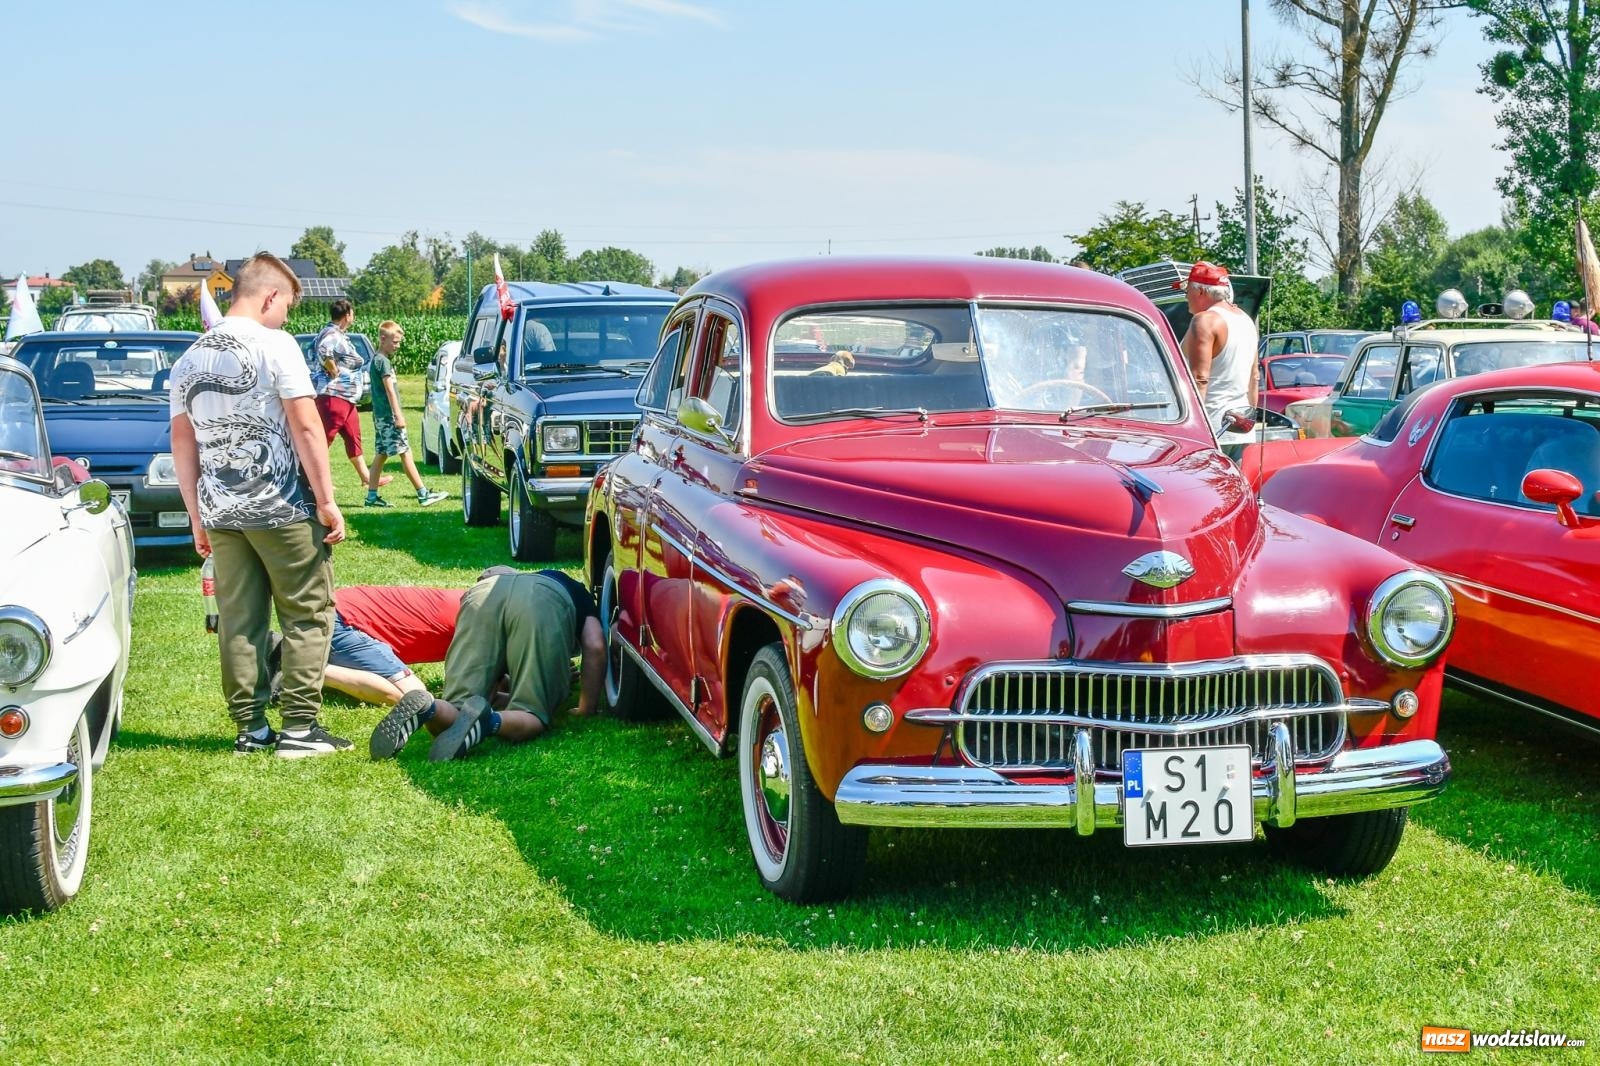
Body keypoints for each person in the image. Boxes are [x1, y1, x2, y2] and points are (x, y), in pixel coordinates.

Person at [168, 252, 351, 757]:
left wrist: (195, 514)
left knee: (239, 620)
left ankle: (250, 727)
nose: (287, 315)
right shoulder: (276, 345)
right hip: (283, 507)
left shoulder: (189, 358)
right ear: (269, 296)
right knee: (307, 613)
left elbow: (181, 442)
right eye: (287, 304)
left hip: (222, 511)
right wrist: (329, 500)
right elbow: (306, 424)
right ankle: (298, 728)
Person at [369, 569, 606, 762]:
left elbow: (491, 682)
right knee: (531, 713)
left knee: (458, 707)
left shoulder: (500, 582)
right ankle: (488, 723)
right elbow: (595, 645)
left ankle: (428, 708)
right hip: (544, 598)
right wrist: (587, 708)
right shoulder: (574, 588)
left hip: (482, 596)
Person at [365, 320, 449, 508]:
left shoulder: (378, 360)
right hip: (389, 417)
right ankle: (422, 494)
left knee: (381, 453)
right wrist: (398, 415)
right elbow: (389, 391)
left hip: (381, 416)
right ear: (382, 338)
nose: (398, 346)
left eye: (399, 342)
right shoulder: (383, 362)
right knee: (405, 452)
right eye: (394, 342)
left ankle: (371, 497)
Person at [310, 298, 390, 490]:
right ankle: (310, 480)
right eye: (352, 313)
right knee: (324, 439)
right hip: (334, 394)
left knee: (353, 436)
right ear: (347, 315)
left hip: (346, 397)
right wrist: (333, 370)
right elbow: (324, 351)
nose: (353, 316)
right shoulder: (332, 334)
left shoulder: (336, 333)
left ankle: (367, 478)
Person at [1176, 261, 1259, 434]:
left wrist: (1195, 428)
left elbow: (1200, 378)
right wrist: (1249, 419)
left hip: (1212, 426)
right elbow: (1254, 376)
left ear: (1200, 290)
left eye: (1187, 290)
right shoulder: (1246, 319)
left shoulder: (1204, 320)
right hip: (1241, 425)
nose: (1186, 297)